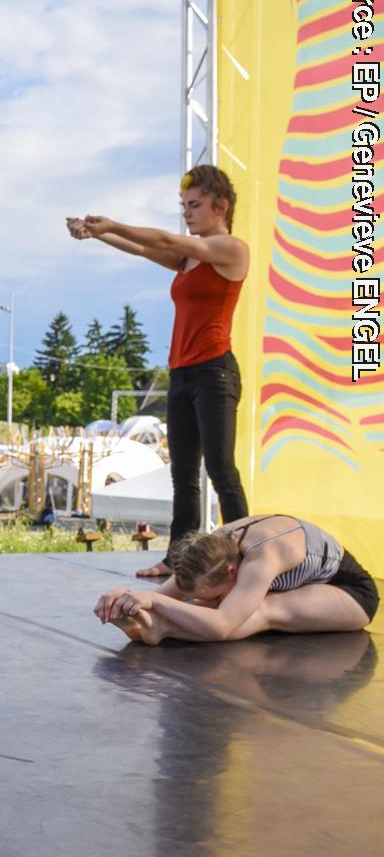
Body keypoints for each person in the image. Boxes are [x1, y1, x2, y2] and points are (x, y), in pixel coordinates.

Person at [67, 166, 249, 580]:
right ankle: (178, 559)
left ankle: (248, 554)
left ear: (221, 206)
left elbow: (163, 239)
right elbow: (146, 250)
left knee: (220, 468)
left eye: (195, 205)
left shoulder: (231, 249)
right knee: (182, 475)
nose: (186, 213)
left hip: (215, 372)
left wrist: (112, 222)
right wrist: (98, 234)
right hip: (183, 374)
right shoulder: (190, 257)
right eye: (183, 205)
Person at [95, 513, 378, 645]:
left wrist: (154, 601)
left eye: (212, 593)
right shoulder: (213, 548)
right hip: (308, 585)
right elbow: (173, 595)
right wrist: (127, 598)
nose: (212, 599)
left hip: (349, 593)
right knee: (223, 601)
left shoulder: (264, 557)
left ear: (232, 571)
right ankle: (156, 628)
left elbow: (222, 625)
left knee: (261, 608)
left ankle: (162, 630)